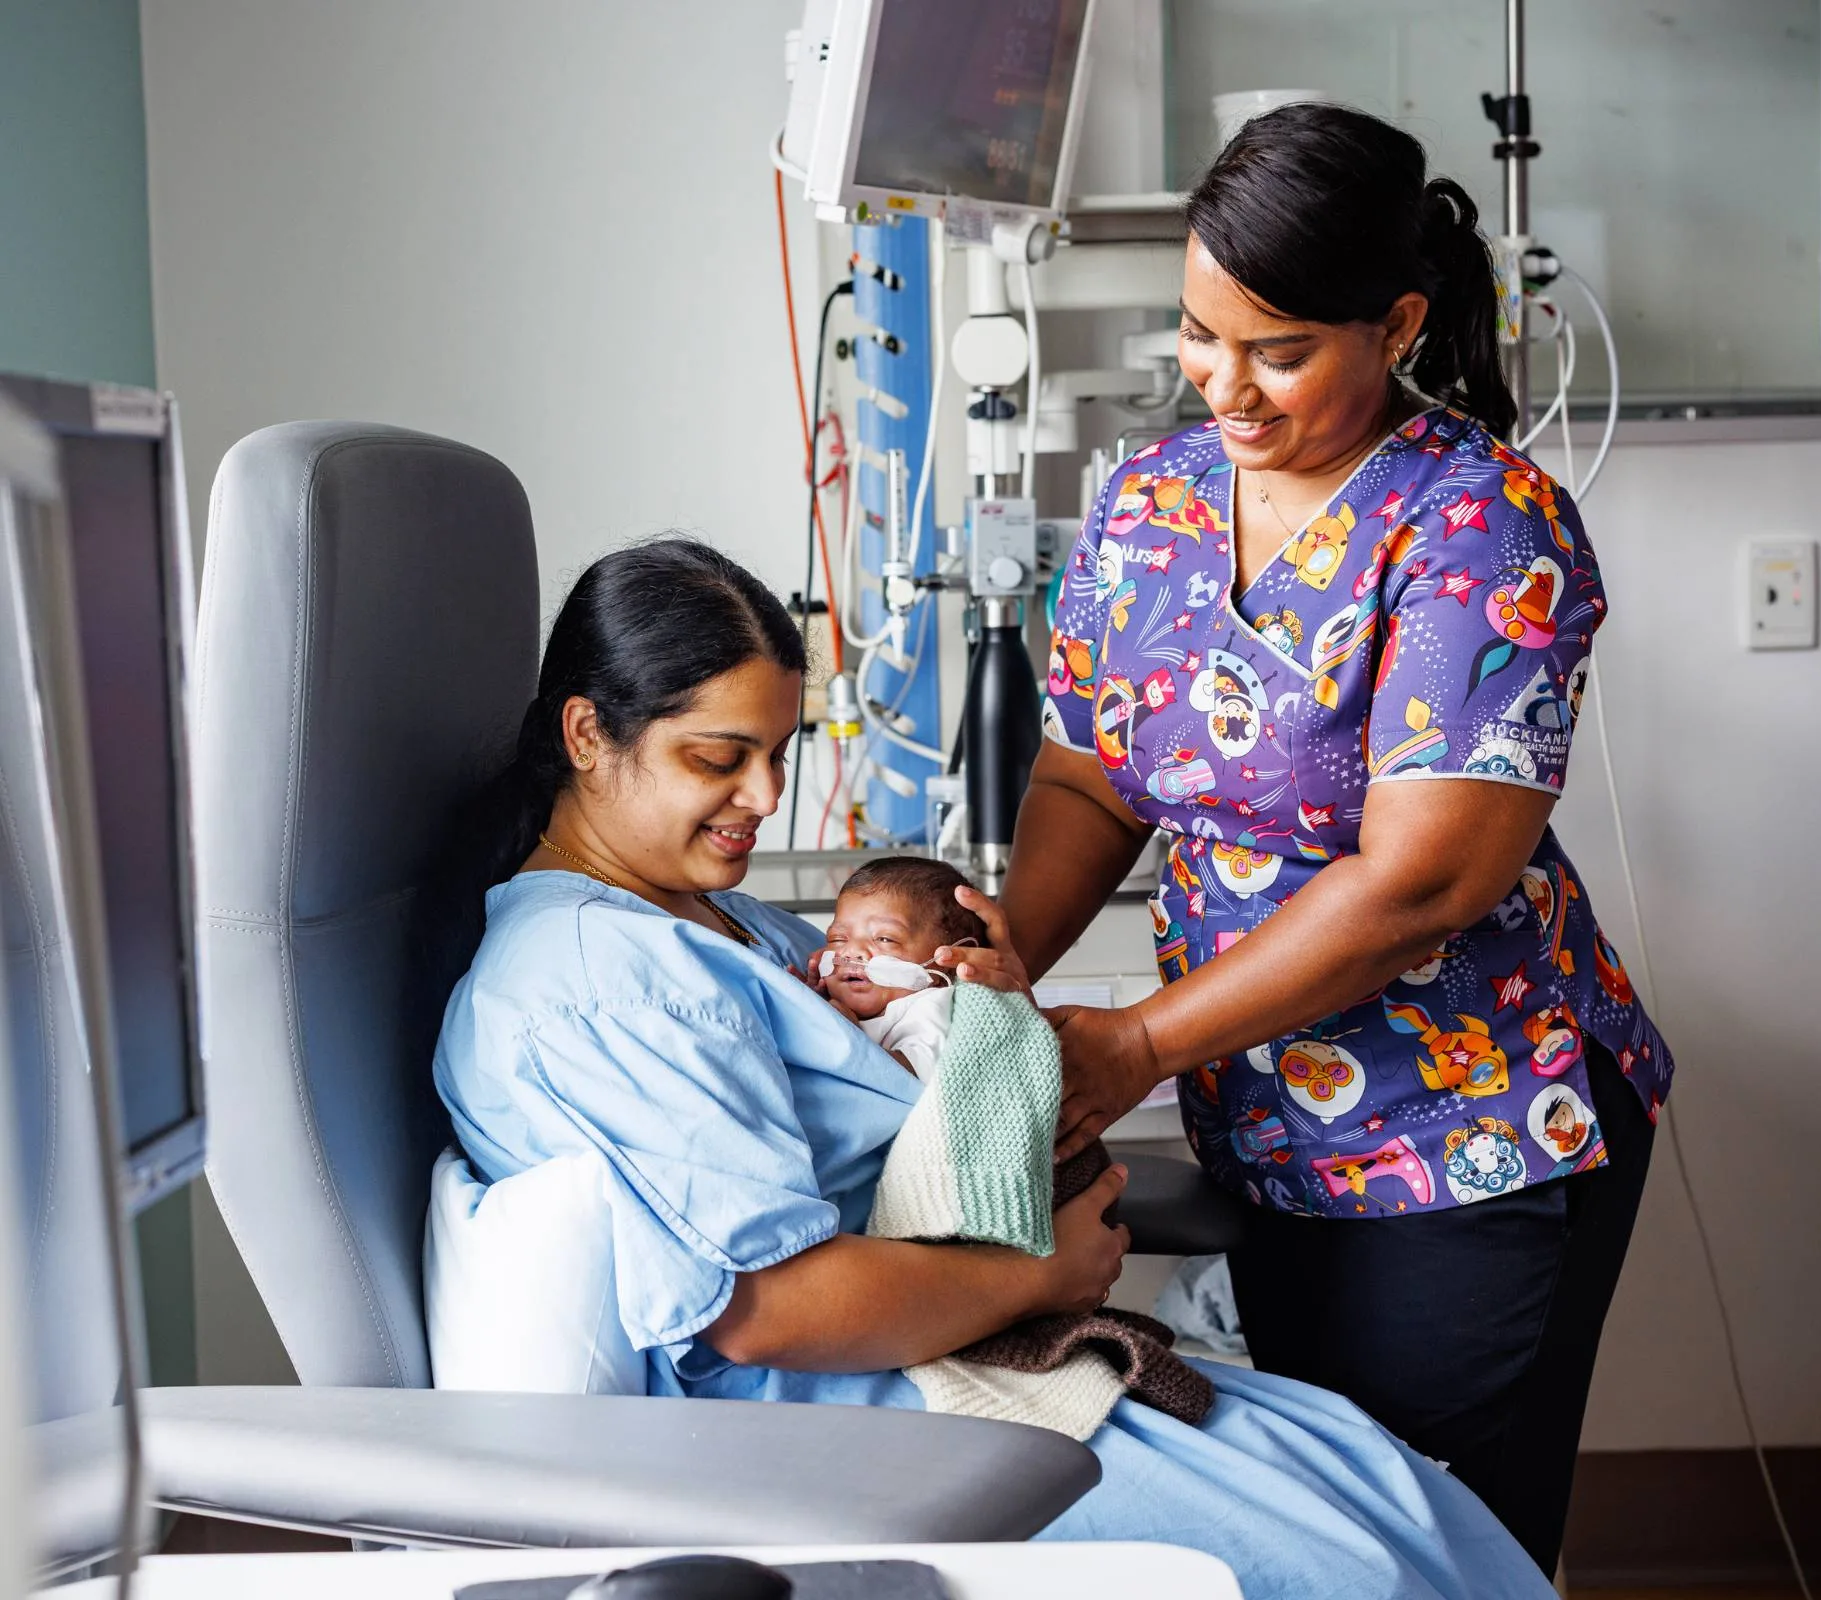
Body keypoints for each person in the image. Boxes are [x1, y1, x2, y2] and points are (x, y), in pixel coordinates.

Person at [432, 537, 1554, 1600]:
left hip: (946, 1352)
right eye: (720, 759)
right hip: (845, 1417)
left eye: (780, 754)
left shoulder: (717, 923)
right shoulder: (593, 977)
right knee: (1356, 1573)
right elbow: (765, 1309)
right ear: (588, 734)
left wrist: (992, 1028)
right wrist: (1039, 1274)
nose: (766, 798)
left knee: (1392, 1490)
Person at [995, 102, 1672, 1576]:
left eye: (1281, 350)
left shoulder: (1483, 526)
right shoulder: (1150, 501)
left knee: (1439, 1550)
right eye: (1201, 336)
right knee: (1322, 1542)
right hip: (1263, 1122)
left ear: (1398, 324)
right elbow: (1091, 779)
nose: (1226, 386)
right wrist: (994, 970)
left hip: (1469, 1135)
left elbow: (1422, 882)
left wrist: (1137, 1045)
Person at [814, 856, 985, 1076]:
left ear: (947, 962)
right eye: (838, 938)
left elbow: (916, 1078)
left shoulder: (928, 1006)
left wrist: (849, 1035)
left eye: (884, 939)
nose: (851, 951)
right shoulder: (836, 1000)